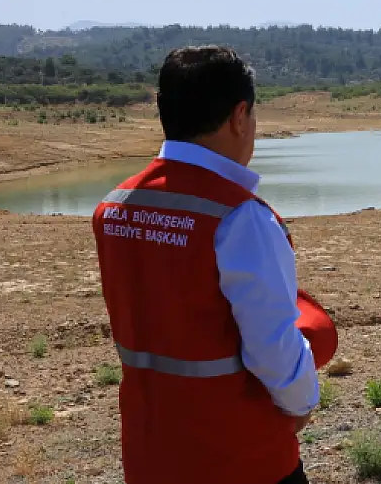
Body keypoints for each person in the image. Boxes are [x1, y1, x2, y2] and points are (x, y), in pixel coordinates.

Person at [91, 45, 337, 484]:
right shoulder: (240, 218)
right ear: (239, 116)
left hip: (151, 456)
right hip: (242, 460)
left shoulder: (115, 207)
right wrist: (301, 405)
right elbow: (272, 347)